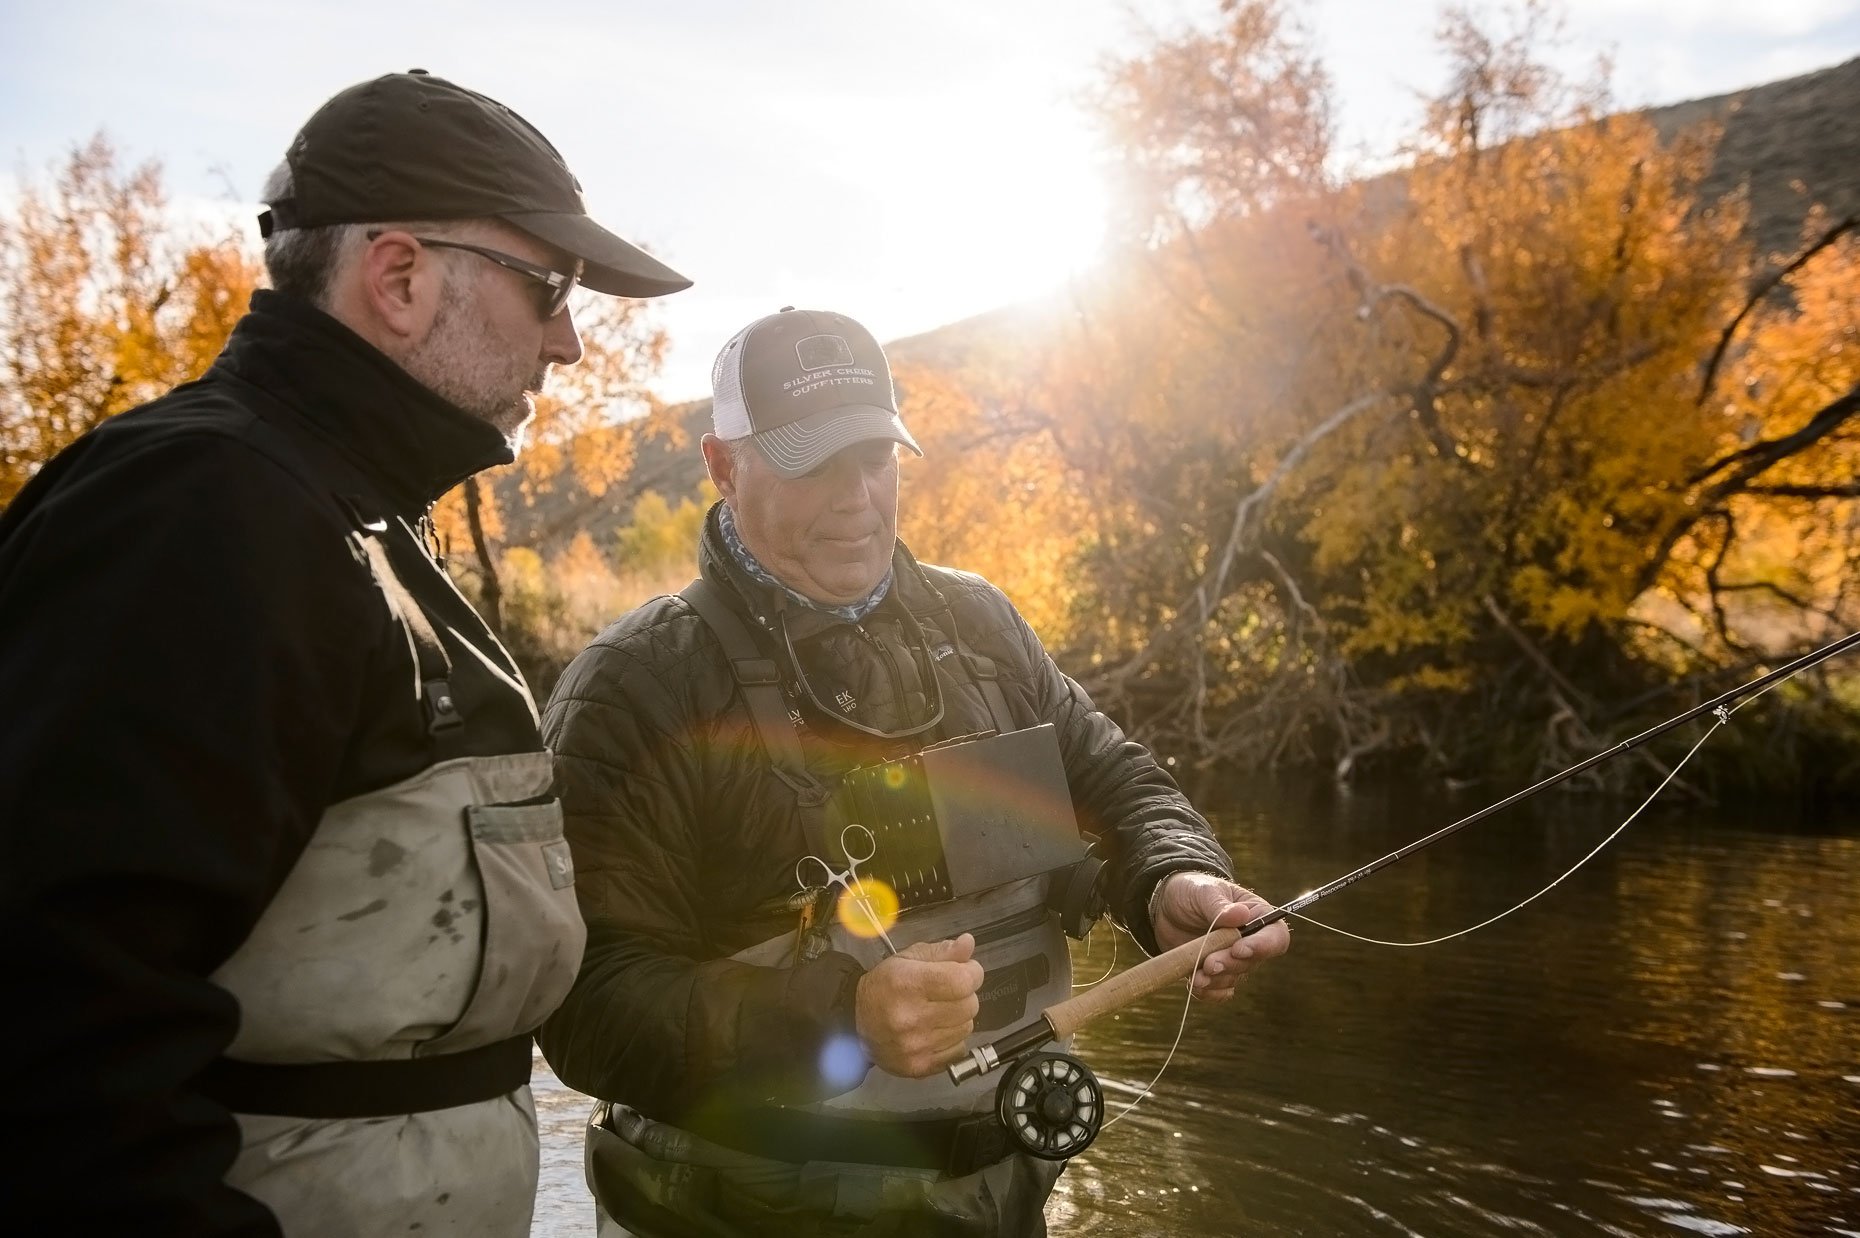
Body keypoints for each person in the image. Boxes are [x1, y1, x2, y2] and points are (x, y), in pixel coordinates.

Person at [0, 70, 690, 1236]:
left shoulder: (344, 509)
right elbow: (53, 1043)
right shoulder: (207, 511)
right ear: (401, 277)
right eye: (551, 288)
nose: (570, 342)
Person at [538, 307, 1293, 1236]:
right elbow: (584, 1004)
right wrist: (839, 1020)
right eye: (814, 464)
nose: (855, 496)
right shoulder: (637, 684)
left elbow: (1115, 781)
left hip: (994, 1201)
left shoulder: (981, 625)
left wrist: (1169, 879)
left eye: (874, 458)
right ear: (724, 466)